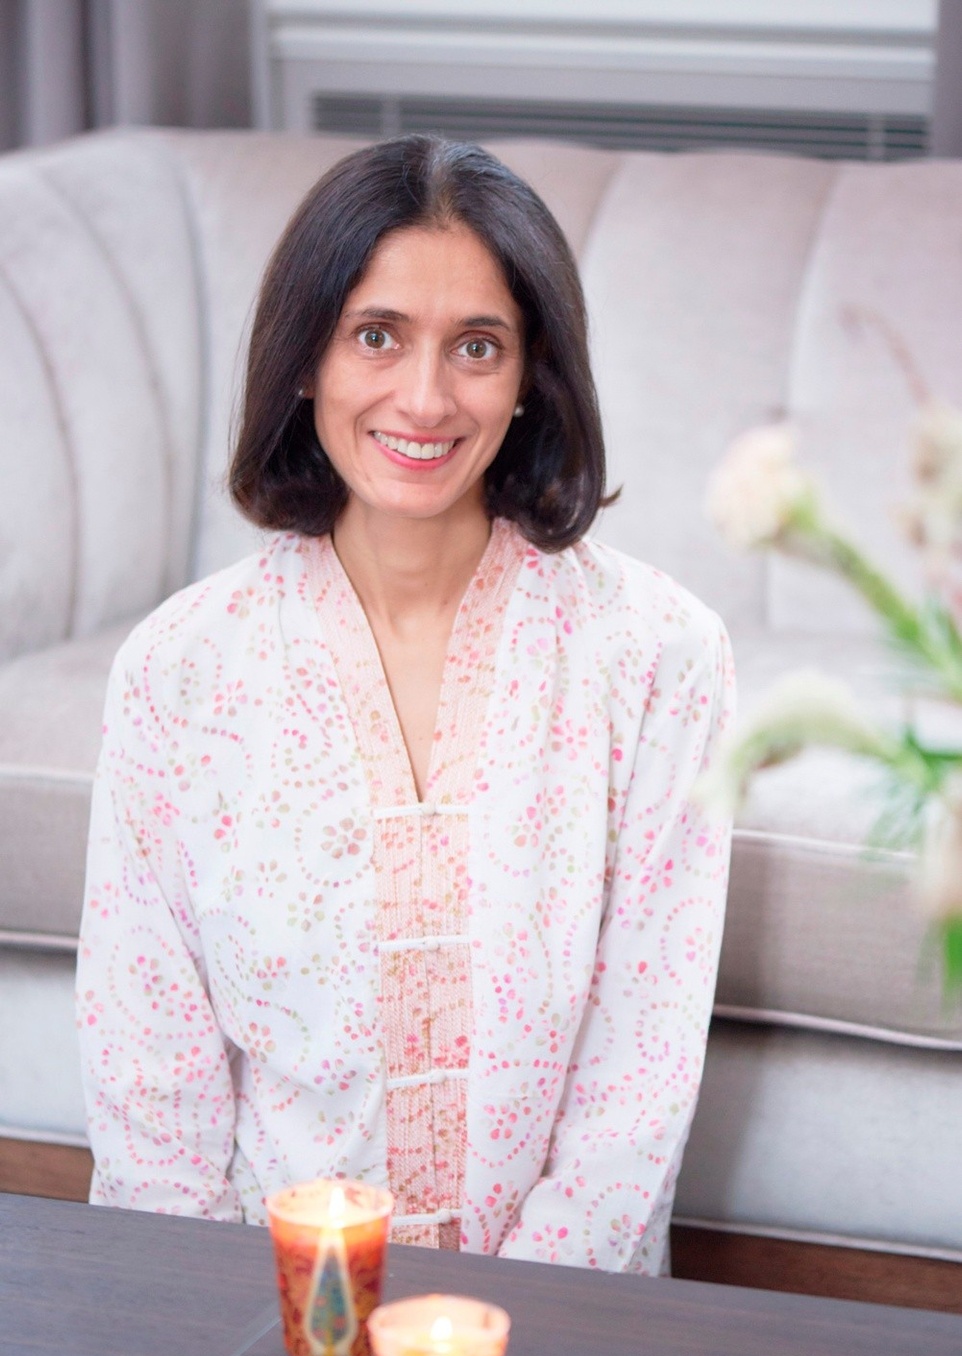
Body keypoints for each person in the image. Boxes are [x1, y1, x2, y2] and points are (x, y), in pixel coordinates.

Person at [76, 134, 735, 1275]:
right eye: (374, 335)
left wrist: (511, 1330)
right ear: (304, 360)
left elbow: (637, 1081)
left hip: (563, 1335)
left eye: (476, 346)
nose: (424, 399)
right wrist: (219, 1332)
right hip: (261, 1322)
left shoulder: (658, 658)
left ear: (529, 377)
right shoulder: (178, 673)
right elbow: (152, 1096)